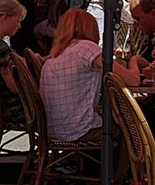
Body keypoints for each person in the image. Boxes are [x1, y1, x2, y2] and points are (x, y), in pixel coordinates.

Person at [39, 10, 138, 144]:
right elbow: (133, 80)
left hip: (52, 130)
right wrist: (134, 60)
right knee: (133, 127)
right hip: (79, 130)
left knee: (117, 117)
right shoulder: (86, 47)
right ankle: (125, 165)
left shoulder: (55, 55)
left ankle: (90, 163)